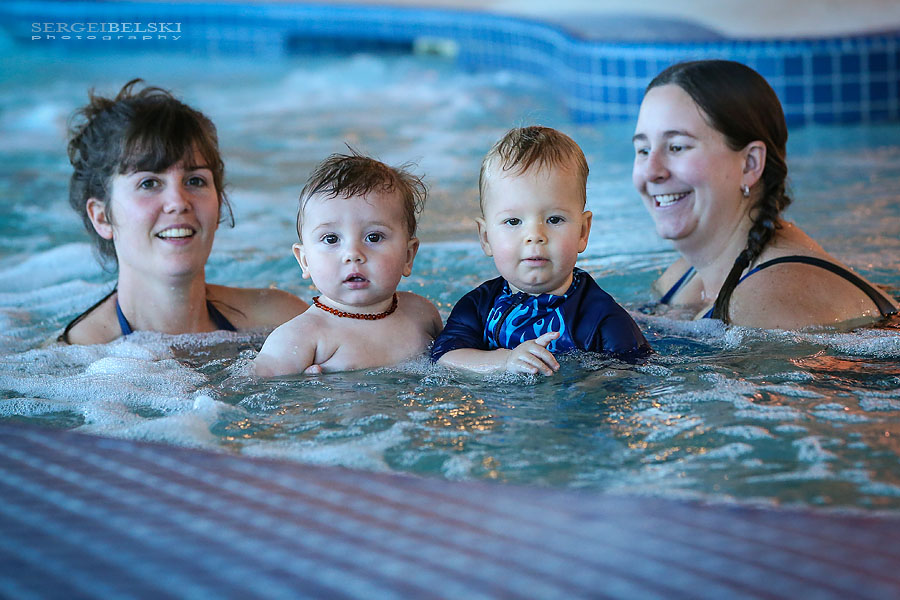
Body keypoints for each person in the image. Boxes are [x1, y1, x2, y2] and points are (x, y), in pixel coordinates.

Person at [632, 60, 898, 329]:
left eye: (677, 147)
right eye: (643, 150)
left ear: (750, 164)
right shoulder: (681, 279)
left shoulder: (769, 302)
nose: (651, 172)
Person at [59, 79, 308, 345]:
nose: (178, 201)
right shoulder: (80, 358)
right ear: (102, 217)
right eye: (149, 183)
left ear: (219, 202)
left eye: (195, 181)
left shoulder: (285, 322)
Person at [431, 126, 650, 375]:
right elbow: (443, 357)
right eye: (513, 222)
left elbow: (633, 376)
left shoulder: (602, 320)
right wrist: (504, 362)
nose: (535, 236)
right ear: (486, 237)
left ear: (582, 232)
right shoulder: (478, 307)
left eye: (554, 219)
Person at [253, 152, 443, 377]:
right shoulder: (300, 338)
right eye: (331, 239)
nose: (353, 254)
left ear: (408, 255)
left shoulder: (422, 314)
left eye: (374, 237)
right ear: (304, 261)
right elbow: (244, 389)